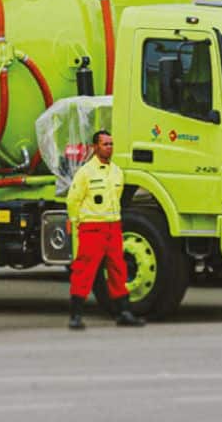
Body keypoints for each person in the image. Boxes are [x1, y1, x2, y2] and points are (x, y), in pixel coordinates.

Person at [65, 130, 146, 330]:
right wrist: (75, 221)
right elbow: (73, 199)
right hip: (92, 226)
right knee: (84, 270)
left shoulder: (117, 172)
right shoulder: (85, 173)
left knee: (118, 269)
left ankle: (124, 312)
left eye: (111, 144)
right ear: (94, 147)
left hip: (113, 226)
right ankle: (76, 314)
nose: (109, 147)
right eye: (104, 144)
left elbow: (117, 197)